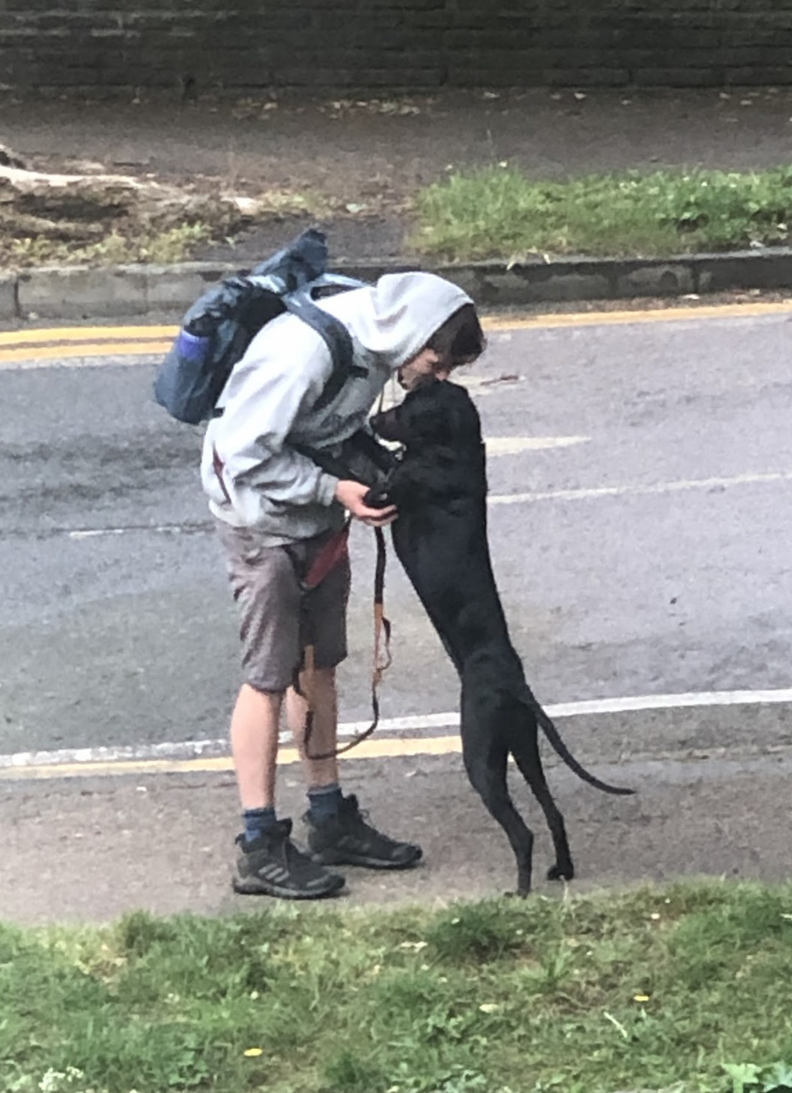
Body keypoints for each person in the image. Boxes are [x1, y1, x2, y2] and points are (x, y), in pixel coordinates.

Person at [201, 271, 485, 899]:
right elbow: (242, 452)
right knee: (268, 676)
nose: (437, 378)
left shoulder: (380, 345)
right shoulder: (305, 354)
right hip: (259, 522)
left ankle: (328, 818)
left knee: (317, 665)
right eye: (437, 363)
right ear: (417, 334)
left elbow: (333, 429)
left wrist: (370, 480)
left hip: (318, 517)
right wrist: (334, 489)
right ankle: (258, 845)